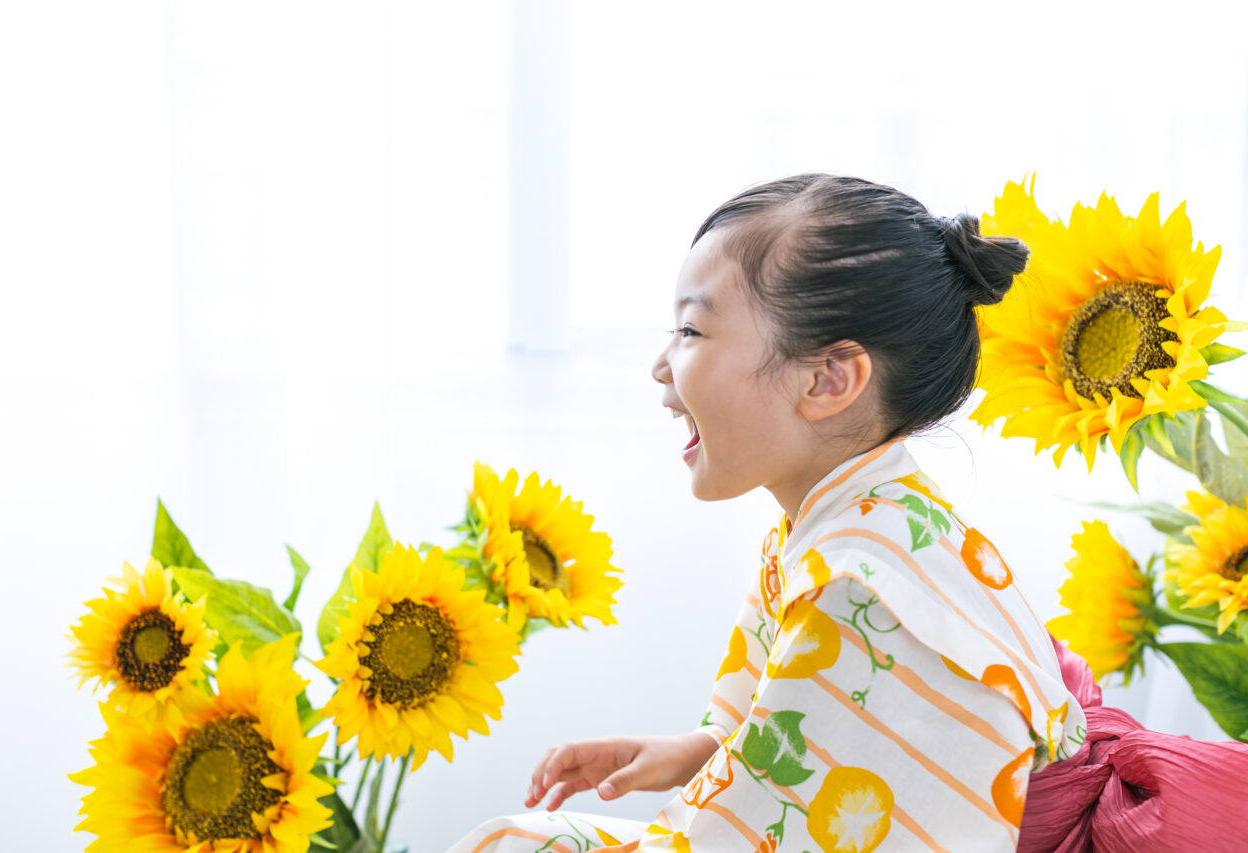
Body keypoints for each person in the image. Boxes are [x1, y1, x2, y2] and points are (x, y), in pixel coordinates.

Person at [447, 174, 1097, 852]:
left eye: (692, 329)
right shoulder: (867, 521)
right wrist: (697, 749)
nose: (661, 366)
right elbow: (817, 757)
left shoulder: (859, 589)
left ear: (827, 380)